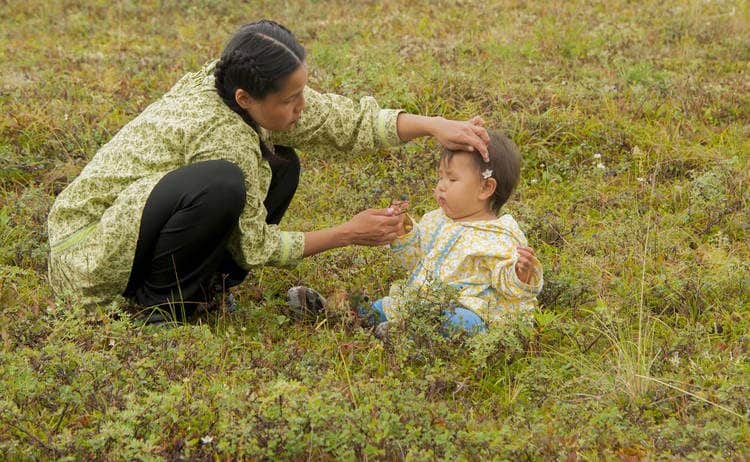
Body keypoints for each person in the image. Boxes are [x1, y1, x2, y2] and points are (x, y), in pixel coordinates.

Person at [46, 19, 490, 319]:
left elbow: (345, 122)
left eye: (303, 91)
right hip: (86, 253)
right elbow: (257, 246)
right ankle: (159, 308)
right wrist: (348, 234)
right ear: (245, 99)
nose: (302, 107)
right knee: (223, 182)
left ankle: (202, 292)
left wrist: (433, 126)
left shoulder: (232, 82)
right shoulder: (224, 137)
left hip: (133, 222)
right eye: (289, 100)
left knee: (280, 165)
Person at [354, 129, 543, 335]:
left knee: (462, 321)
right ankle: (363, 318)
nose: (441, 186)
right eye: (440, 177)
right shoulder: (436, 219)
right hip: (419, 302)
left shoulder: (499, 235)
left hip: (464, 308)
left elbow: (508, 287)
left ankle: (405, 333)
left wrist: (520, 274)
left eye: (452, 180)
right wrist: (403, 231)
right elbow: (413, 261)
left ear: (485, 188)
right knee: (381, 307)